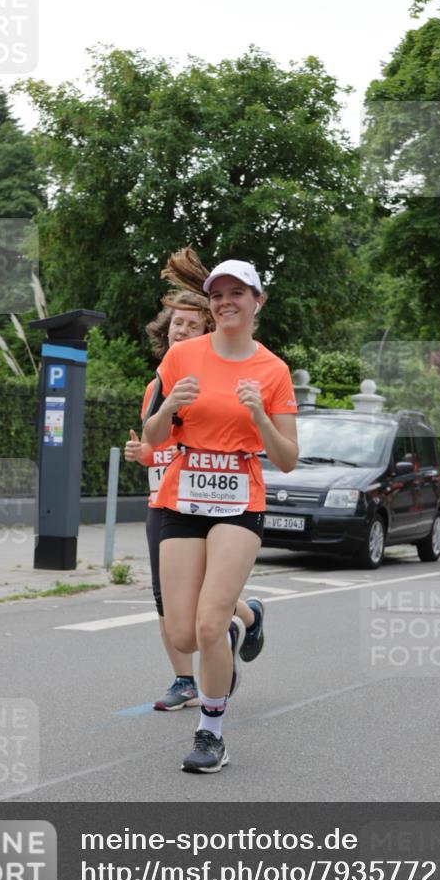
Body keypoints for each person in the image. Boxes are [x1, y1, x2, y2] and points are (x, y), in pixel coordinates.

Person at [143, 250, 298, 772]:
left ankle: (211, 733)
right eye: (217, 295)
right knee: (183, 633)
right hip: (182, 498)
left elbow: (288, 459)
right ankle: (243, 618)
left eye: (236, 293)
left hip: (239, 500)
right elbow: (153, 437)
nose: (226, 302)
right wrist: (166, 409)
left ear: (258, 301)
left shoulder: (272, 370)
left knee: (208, 626)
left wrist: (259, 414)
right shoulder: (182, 358)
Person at [125, 287, 266, 712]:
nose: (179, 331)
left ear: (207, 328)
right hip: (167, 501)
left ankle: (234, 630)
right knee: (169, 599)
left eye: (189, 324)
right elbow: (158, 446)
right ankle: (184, 678)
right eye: (174, 325)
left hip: (222, 501)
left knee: (208, 600)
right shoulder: (160, 383)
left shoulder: (227, 376)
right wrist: (143, 454)